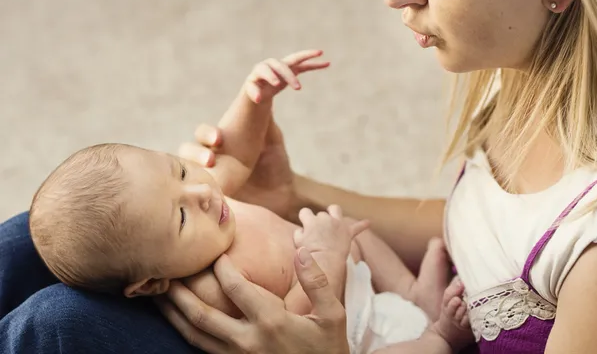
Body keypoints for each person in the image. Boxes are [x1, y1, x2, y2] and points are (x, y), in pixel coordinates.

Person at [2, 0, 597, 353]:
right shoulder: (527, 68)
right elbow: (491, 228)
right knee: (65, 225)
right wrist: (293, 195)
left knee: (55, 322)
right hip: (384, 305)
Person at [27, 50, 472, 354]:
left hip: (362, 281)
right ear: (149, 284)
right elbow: (288, 323)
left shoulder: (210, 203)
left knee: (358, 232)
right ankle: (439, 334)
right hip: (364, 334)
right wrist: (326, 257)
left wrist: (254, 97)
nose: (201, 194)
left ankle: (411, 292)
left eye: (177, 171)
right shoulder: (210, 284)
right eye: (180, 217)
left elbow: (236, 154)